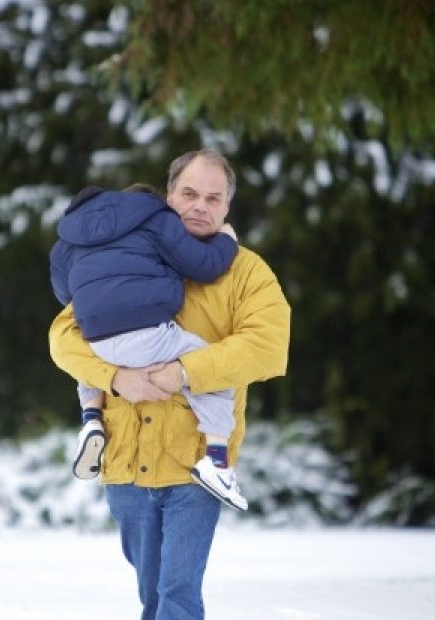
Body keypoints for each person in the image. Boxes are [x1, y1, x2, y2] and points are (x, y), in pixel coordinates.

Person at [49, 149, 291, 620]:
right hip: (126, 463)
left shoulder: (246, 272)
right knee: (152, 597)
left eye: (213, 198)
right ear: (168, 196)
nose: (200, 205)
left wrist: (185, 373)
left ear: (227, 208)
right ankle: (92, 424)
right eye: (189, 193)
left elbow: (267, 345)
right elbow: (63, 336)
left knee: (178, 594)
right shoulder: (129, 247)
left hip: (194, 464)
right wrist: (117, 378)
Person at [49, 182, 247, 510]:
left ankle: (91, 419)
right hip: (146, 329)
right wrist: (227, 239)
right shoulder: (156, 219)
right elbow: (205, 266)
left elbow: (64, 294)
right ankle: (217, 461)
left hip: (98, 335)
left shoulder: (67, 241)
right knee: (211, 367)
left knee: (86, 358)